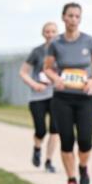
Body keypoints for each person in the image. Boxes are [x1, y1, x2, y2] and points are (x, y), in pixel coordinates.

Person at [43, 2, 92, 184]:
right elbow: (47, 68)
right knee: (67, 140)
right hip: (62, 98)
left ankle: (83, 167)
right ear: (63, 17)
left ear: (80, 18)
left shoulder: (89, 41)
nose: (73, 20)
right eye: (70, 16)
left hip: (84, 97)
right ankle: (71, 178)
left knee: (85, 141)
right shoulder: (56, 43)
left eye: (77, 16)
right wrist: (56, 79)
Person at [19, 22, 60, 173]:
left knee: (55, 130)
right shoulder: (37, 52)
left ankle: (49, 161)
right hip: (38, 97)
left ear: (57, 33)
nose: (50, 34)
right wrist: (34, 84)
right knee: (41, 130)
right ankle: (37, 148)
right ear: (43, 34)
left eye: (53, 31)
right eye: (47, 32)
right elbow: (23, 72)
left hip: (56, 96)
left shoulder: (62, 51)